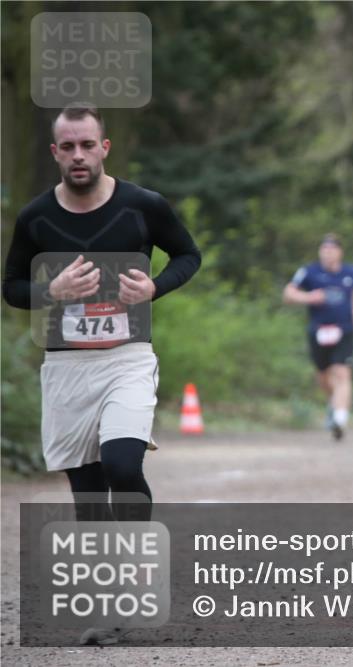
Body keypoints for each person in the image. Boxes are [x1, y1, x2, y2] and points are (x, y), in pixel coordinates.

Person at [1, 105, 201, 524]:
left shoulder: (143, 205)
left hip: (126, 359)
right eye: (69, 146)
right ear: (55, 152)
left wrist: (154, 287)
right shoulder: (35, 217)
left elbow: (187, 254)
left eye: (87, 145)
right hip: (66, 366)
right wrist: (50, 291)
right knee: (89, 499)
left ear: (104, 148)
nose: (78, 155)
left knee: (123, 466)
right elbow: (11, 289)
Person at [283, 234, 353, 440]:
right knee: (323, 377)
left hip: (344, 329)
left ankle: (340, 420)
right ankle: (333, 406)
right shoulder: (309, 272)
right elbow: (288, 294)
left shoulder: (350, 273)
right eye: (323, 249)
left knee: (342, 373)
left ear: (340, 252)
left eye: (331, 249)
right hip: (318, 330)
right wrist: (308, 297)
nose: (327, 253)